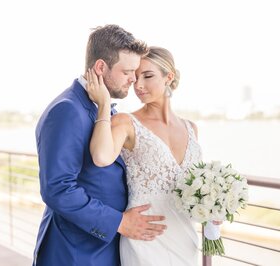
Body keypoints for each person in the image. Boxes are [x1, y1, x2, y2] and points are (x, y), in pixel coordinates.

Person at [33, 25, 167, 266]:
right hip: (75, 252)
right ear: (101, 67)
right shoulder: (67, 110)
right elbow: (58, 189)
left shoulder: (100, 107)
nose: (134, 80)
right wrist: (119, 222)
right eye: (127, 71)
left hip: (102, 250)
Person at [86, 46, 217, 265]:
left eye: (147, 76)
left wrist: (212, 209)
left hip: (184, 238)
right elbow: (100, 157)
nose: (138, 85)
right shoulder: (125, 122)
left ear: (169, 77)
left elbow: (194, 190)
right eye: (135, 77)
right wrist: (103, 105)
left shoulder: (191, 129)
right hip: (145, 238)